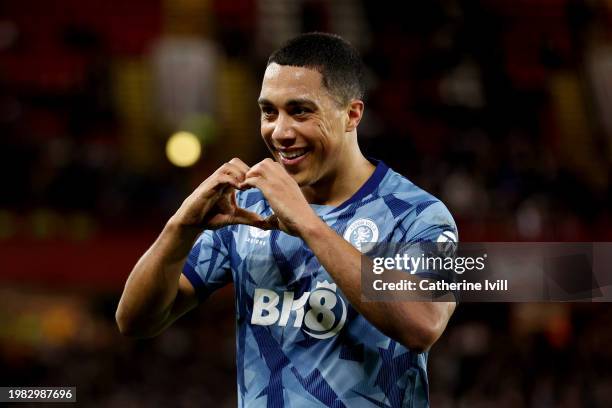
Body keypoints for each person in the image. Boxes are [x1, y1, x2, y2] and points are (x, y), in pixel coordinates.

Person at [116, 32, 458, 407]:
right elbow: (134, 322)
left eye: (300, 111)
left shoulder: (419, 214)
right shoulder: (247, 209)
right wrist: (179, 227)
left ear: (352, 114)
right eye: (268, 111)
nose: (279, 132)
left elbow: (424, 323)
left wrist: (308, 223)